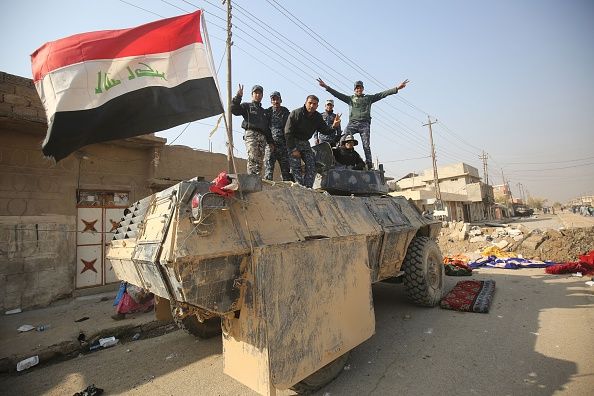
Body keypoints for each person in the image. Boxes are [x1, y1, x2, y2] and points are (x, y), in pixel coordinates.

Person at [317, 77, 409, 170]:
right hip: (352, 123)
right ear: (354, 90)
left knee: (366, 145)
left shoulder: (368, 98)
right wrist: (326, 86)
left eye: (360, 88)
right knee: (342, 139)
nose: (358, 89)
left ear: (363, 89)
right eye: (357, 88)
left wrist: (396, 88)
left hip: (364, 124)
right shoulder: (350, 99)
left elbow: (382, 94)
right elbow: (337, 94)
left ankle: (369, 163)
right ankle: (336, 159)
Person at [285, 95, 341, 188]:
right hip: (293, 142)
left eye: (314, 104)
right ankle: (299, 188)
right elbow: (287, 132)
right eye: (310, 103)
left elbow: (325, 130)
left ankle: (307, 188)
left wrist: (334, 126)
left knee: (312, 166)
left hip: (305, 143)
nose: (311, 106)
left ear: (317, 106)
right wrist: (293, 149)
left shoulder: (318, 117)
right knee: (295, 168)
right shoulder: (296, 113)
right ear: (305, 103)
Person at [231, 84, 274, 176]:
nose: (258, 95)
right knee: (253, 157)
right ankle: (251, 180)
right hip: (251, 134)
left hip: (262, 137)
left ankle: (256, 180)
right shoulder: (247, 106)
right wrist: (238, 97)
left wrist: (270, 142)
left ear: (262, 96)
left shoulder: (264, 112)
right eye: (256, 93)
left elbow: (267, 128)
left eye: (260, 93)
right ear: (252, 94)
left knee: (259, 162)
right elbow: (234, 110)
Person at [264, 91, 292, 181]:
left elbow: (290, 128)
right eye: (273, 99)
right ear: (271, 101)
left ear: (281, 100)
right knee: (268, 172)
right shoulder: (267, 112)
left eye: (277, 99)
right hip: (271, 146)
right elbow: (264, 127)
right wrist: (269, 142)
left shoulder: (286, 112)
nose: (276, 101)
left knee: (286, 173)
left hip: (283, 147)